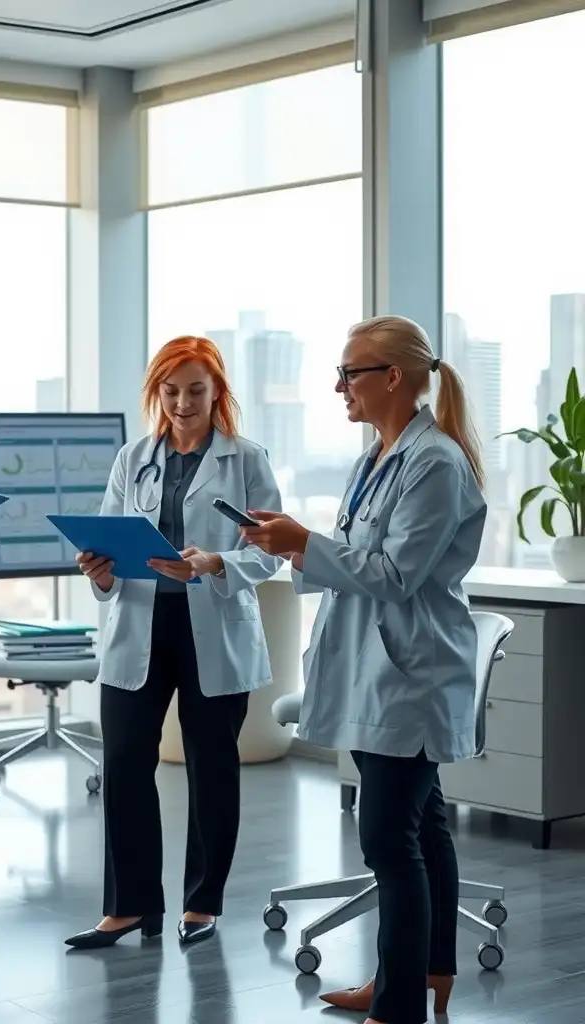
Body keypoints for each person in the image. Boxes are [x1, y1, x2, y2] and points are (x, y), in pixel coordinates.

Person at [240, 315, 487, 1024]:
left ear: (394, 378)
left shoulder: (436, 462)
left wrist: (304, 541)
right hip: (377, 669)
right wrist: (290, 544)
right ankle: (426, 973)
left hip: (408, 677)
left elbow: (395, 574)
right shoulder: (376, 457)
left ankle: (399, 1002)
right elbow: (357, 561)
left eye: (351, 372)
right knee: (424, 825)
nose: (340, 385)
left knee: (388, 839)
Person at [64, 335, 283, 951]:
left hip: (212, 627)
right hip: (140, 625)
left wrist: (217, 565)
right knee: (126, 763)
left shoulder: (248, 460)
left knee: (212, 770)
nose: (182, 403)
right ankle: (130, 906)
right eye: (171, 390)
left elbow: (271, 554)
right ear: (155, 393)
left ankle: (201, 903)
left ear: (217, 393)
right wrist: (101, 573)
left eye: (195, 390)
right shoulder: (133, 457)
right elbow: (109, 539)